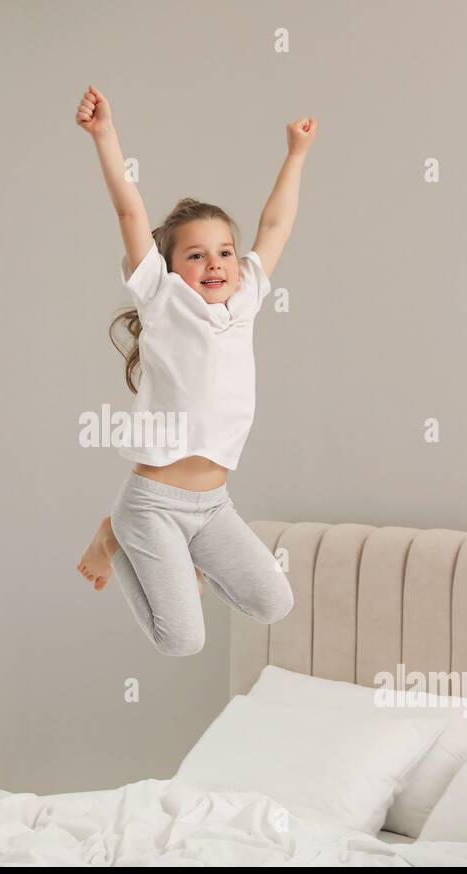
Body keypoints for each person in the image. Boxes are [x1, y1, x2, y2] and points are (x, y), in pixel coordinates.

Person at [73, 84, 317, 657]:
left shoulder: (248, 297)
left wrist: (295, 156)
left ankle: (129, 541)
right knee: (181, 642)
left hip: (214, 507)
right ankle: (118, 536)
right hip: (153, 502)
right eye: (196, 254)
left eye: (226, 251)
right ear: (169, 266)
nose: (216, 263)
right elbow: (129, 208)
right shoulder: (161, 297)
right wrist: (105, 135)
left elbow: (276, 226)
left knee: (273, 604)